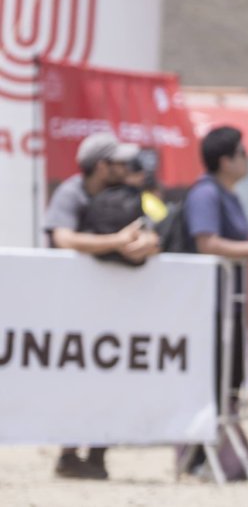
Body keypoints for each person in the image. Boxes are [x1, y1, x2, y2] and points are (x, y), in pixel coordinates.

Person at [44, 131, 158, 480]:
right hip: (70, 305)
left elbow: (152, 231)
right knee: (73, 377)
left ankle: (97, 450)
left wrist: (147, 244)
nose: (128, 168)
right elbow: (62, 238)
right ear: (102, 166)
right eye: (120, 162)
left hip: (112, 304)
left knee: (109, 377)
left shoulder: (126, 195)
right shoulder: (71, 192)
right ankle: (68, 452)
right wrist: (117, 242)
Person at [179, 125, 248, 480]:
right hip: (210, 308)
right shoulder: (206, 194)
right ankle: (199, 460)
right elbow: (207, 242)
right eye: (242, 153)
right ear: (225, 160)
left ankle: (212, 459)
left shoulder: (228, 195)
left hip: (229, 306)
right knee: (212, 382)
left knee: (228, 384)